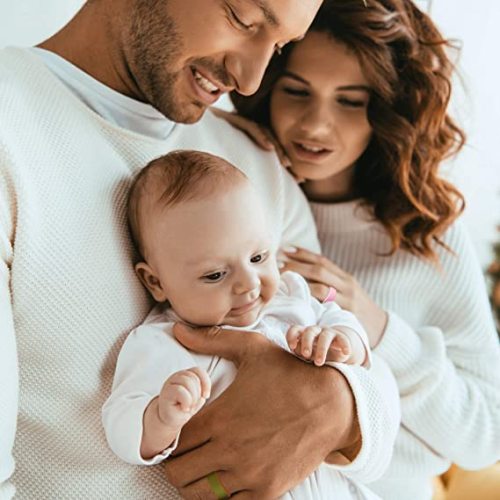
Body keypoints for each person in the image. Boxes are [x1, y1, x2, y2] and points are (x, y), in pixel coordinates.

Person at [0, 0, 402, 498]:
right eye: (242, 19)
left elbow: (378, 416)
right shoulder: (10, 132)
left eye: (278, 46)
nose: (252, 80)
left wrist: (341, 405)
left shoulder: (255, 161)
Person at [216, 0, 500, 498]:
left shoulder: (427, 237)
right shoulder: (236, 201)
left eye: (350, 101)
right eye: (297, 92)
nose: (315, 126)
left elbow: (485, 437)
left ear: (386, 110)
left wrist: (379, 327)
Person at [102, 150, 390, 500]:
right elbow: (120, 422)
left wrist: (339, 340)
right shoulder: (162, 344)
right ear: (155, 282)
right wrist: (161, 417)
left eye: (258, 257)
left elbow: (344, 323)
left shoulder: (291, 296)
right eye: (215, 274)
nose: (249, 284)